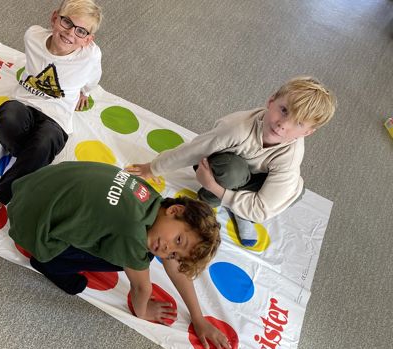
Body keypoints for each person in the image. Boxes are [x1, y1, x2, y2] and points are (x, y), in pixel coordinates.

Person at [8, 161, 231, 349]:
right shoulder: (134, 235)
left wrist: (198, 318)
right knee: (140, 257)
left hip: (32, 185)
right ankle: (50, 263)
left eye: (174, 252)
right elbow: (141, 289)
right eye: (178, 240)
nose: (166, 250)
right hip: (31, 227)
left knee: (144, 252)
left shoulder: (154, 200)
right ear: (175, 211)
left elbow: (174, 266)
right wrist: (143, 313)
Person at [126, 76, 336, 246]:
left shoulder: (291, 155)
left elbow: (262, 210)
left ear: (307, 133)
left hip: (237, 180)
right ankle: (208, 202)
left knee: (295, 191)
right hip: (219, 166)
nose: (283, 124)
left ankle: (236, 209)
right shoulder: (237, 128)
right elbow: (195, 149)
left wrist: (215, 188)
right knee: (232, 170)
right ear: (271, 101)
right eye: (283, 110)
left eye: (297, 123)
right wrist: (152, 168)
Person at [0, 0, 103, 238]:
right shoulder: (33, 35)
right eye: (67, 22)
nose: (70, 32)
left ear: (88, 39)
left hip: (57, 119)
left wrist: (85, 91)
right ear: (55, 18)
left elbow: (93, 78)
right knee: (7, 115)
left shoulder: (90, 56)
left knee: (45, 140)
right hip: (25, 103)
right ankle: (31, 160)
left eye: (81, 31)